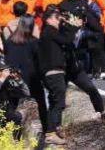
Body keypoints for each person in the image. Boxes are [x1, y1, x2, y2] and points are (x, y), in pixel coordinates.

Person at [5, 15, 48, 133]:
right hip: (31, 79)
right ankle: (47, 129)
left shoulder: (9, 41)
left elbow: (7, 59)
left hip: (13, 78)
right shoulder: (33, 42)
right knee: (41, 103)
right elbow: (40, 62)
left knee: (12, 105)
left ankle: (13, 131)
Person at [38, 8, 75, 145]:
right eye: (56, 17)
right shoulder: (50, 31)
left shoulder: (47, 32)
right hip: (54, 72)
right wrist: (71, 26)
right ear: (48, 19)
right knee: (59, 102)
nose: (58, 20)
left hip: (51, 72)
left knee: (54, 102)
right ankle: (51, 133)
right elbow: (67, 40)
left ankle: (51, 131)